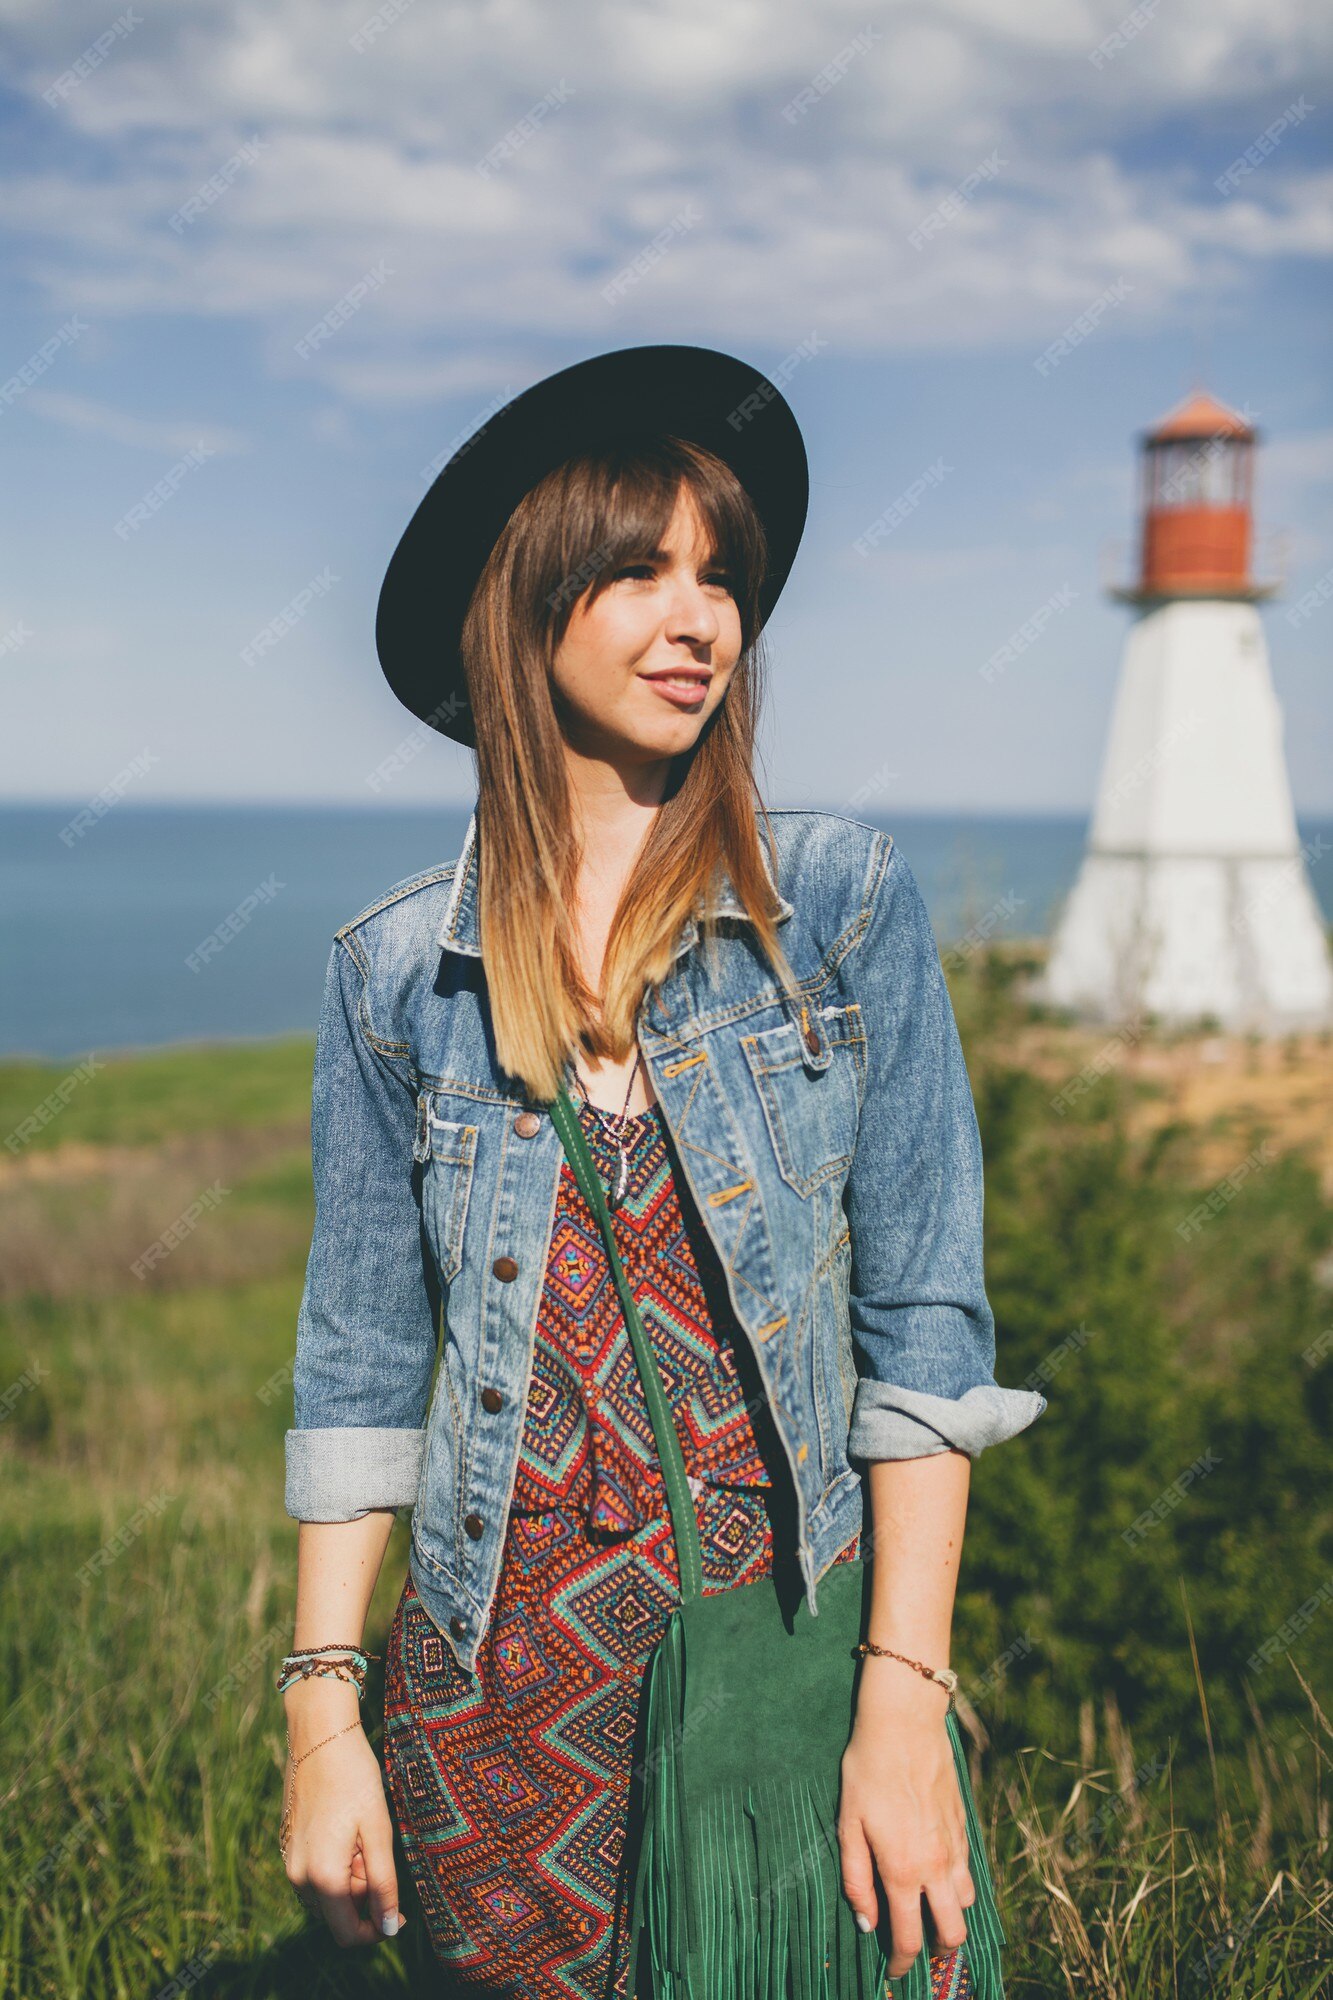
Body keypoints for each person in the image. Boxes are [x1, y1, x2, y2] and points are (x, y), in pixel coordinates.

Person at [277, 344, 1046, 1999]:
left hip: (787, 1678)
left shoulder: (835, 910)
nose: (697, 617)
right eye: (636, 569)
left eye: (720, 578)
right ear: (525, 597)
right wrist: (322, 1712)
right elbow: (354, 1369)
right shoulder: (399, 972)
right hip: (491, 1730)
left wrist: (902, 1702)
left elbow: (926, 1335)